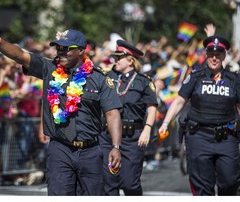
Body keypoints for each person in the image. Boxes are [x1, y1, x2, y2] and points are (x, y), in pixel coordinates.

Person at [0, 15, 122, 195]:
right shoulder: (49, 68)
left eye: (67, 49)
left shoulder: (99, 78)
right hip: (60, 149)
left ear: (81, 50)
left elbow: (112, 113)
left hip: (90, 151)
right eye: (58, 47)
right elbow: (20, 55)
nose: (61, 52)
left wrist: (116, 147)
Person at [158, 35, 240, 196]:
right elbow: (179, 102)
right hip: (199, 137)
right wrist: (165, 123)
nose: (214, 58)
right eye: (211, 54)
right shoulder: (196, 77)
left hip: (227, 137)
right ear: (206, 55)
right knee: (202, 187)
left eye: (218, 54)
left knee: (230, 182)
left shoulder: (234, 80)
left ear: (224, 56)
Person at [99, 40, 158, 195]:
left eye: (119, 58)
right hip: (108, 136)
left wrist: (147, 129)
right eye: (115, 58)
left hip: (132, 137)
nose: (115, 61)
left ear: (130, 60)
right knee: (109, 182)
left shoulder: (143, 81)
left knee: (129, 183)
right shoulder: (108, 76)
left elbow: (152, 107)